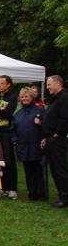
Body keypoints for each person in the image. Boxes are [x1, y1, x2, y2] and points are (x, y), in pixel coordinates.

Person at [11, 87, 46, 201]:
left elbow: (47, 127)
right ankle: (32, 193)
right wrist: (15, 141)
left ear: (32, 97)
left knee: (38, 170)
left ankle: (41, 194)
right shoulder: (18, 114)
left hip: (36, 145)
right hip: (23, 146)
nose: (24, 99)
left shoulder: (40, 111)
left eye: (26, 96)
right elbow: (12, 130)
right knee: (28, 171)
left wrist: (40, 123)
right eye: (22, 97)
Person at [41, 75, 68, 208]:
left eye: (49, 84)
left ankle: (65, 196)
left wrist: (57, 133)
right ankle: (61, 193)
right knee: (54, 168)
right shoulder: (54, 100)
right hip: (50, 137)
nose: (47, 87)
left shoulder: (64, 98)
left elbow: (64, 118)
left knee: (59, 168)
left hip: (57, 138)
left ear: (58, 83)